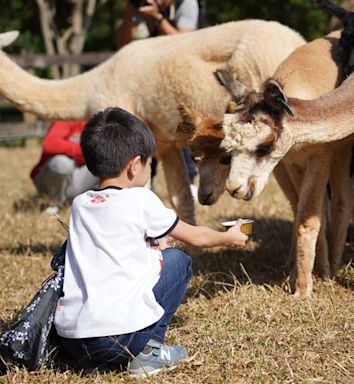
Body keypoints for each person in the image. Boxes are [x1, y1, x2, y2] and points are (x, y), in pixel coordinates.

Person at [53, 107, 248, 376]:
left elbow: (108, 249)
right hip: (119, 339)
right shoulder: (141, 199)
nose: (149, 168)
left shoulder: (80, 204)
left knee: (162, 256)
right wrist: (229, 237)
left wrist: (153, 246)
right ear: (135, 165)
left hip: (73, 340)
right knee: (178, 261)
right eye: (149, 163)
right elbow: (198, 238)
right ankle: (149, 352)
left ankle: (94, 362)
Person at [116, 0, 201, 199]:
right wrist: (130, 15)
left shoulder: (186, 4)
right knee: (143, 134)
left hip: (181, 83)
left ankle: (189, 182)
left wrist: (158, 18)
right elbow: (122, 42)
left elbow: (185, 43)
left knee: (184, 132)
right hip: (146, 84)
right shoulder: (138, 7)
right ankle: (145, 182)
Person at [30, 120, 98, 213]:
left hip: (77, 180)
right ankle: (53, 203)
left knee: (106, 162)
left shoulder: (101, 122)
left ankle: (100, 203)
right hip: (50, 180)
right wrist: (82, 152)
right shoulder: (67, 118)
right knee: (62, 163)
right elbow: (50, 144)